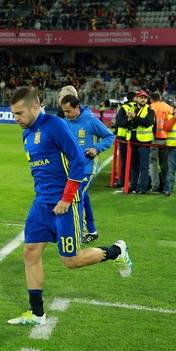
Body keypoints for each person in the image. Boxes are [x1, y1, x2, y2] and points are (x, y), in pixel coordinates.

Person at [8, 87, 132, 326]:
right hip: (41, 204)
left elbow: (76, 160)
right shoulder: (26, 134)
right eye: (13, 114)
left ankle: (117, 251)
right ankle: (37, 314)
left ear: (35, 107)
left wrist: (66, 198)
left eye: (19, 113)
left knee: (71, 261)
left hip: (65, 205)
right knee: (30, 253)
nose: (16, 118)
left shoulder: (55, 125)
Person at [60, 93, 115, 244]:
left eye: (69, 111)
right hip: (71, 168)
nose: (67, 114)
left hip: (87, 168)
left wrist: (97, 148)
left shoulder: (90, 121)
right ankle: (92, 230)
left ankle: (80, 232)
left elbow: (110, 137)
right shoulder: (65, 122)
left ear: (77, 107)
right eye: (64, 111)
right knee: (83, 197)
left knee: (75, 197)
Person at [117, 90, 155, 194]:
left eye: (145, 98)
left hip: (144, 142)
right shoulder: (131, 109)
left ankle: (142, 188)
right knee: (134, 166)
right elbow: (121, 122)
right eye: (141, 97)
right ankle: (133, 186)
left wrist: (134, 117)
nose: (143, 99)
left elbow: (148, 122)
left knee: (143, 166)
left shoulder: (150, 110)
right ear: (136, 99)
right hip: (133, 142)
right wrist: (129, 119)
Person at [148, 92, 173, 192]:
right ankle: (166, 186)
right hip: (166, 139)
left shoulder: (150, 107)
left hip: (153, 138)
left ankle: (155, 186)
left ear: (151, 99)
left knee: (153, 162)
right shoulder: (169, 108)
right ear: (160, 98)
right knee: (164, 163)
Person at [113, 91, 136, 188]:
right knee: (135, 161)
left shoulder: (124, 107)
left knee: (124, 160)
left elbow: (118, 123)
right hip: (136, 137)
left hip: (123, 137)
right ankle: (133, 180)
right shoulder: (140, 107)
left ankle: (123, 180)